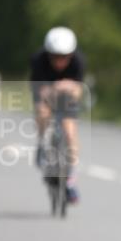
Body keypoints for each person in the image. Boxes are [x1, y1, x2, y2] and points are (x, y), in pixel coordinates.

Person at [30, 27, 86, 204]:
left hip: (68, 96)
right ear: (48, 54)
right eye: (55, 57)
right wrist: (55, 88)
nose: (60, 61)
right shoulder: (38, 60)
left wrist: (66, 89)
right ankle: (41, 143)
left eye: (64, 57)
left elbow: (77, 91)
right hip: (44, 90)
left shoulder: (78, 61)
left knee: (70, 131)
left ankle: (70, 180)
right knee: (43, 112)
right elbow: (39, 90)